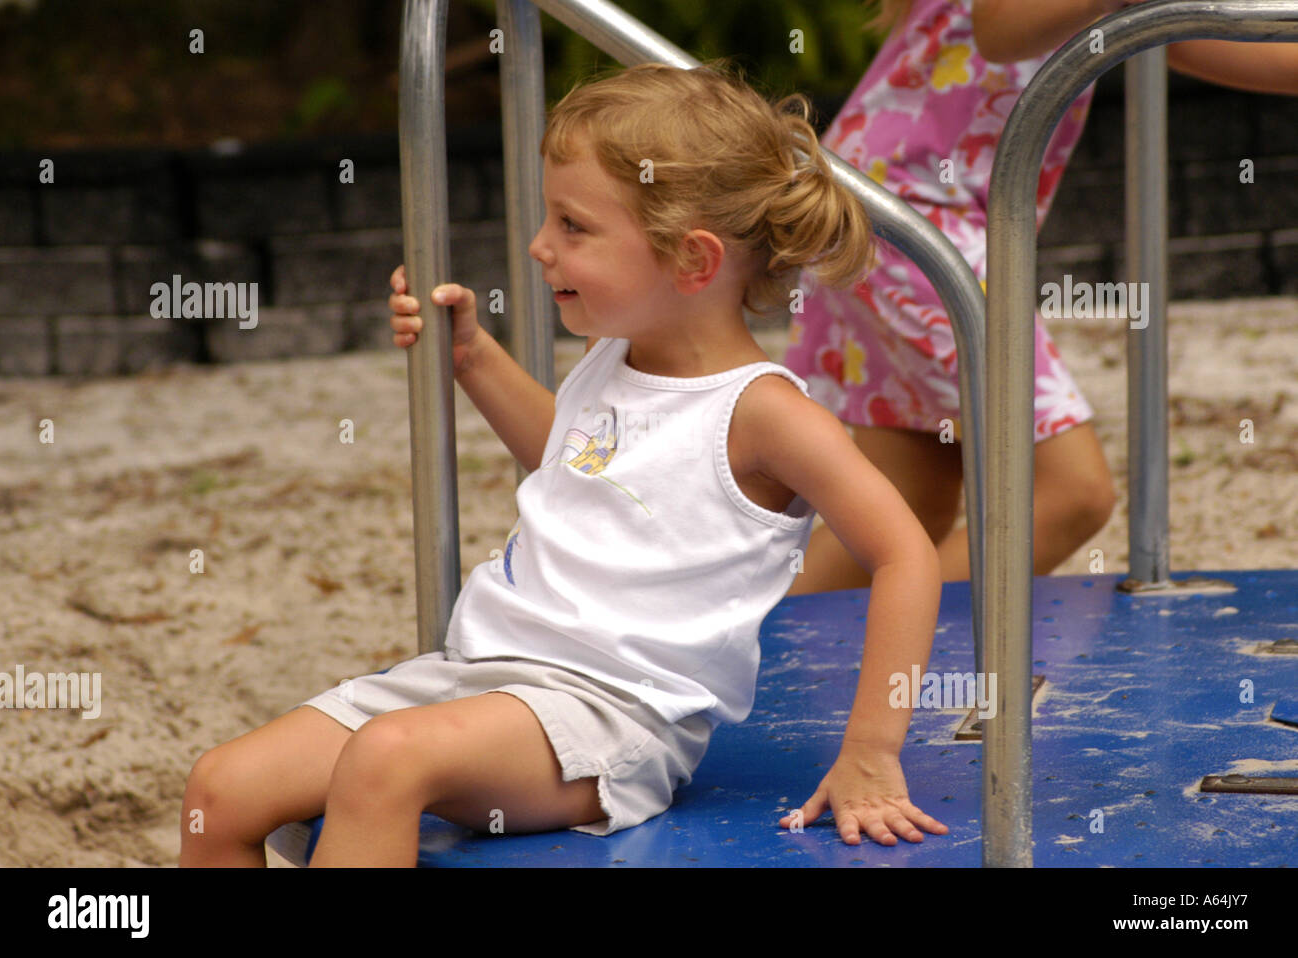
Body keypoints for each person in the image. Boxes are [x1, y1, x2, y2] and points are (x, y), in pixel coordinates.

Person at [180, 60, 950, 868]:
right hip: (480, 677)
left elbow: (905, 555)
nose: (541, 248)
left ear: (693, 260)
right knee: (219, 790)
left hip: (610, 716)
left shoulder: (765, 415)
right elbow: (572, 462)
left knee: (386, 760)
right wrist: (474, 357)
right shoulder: (612, 356)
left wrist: (870, 746)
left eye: (573, 227)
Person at [785, 0, 1298, 595]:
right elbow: (998, 30)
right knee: (1072, 495)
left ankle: (744, 648)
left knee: (907, 506)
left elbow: (1188, 37)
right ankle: (903, 648)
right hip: (908, 219)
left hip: (878, 201)